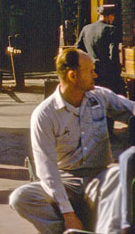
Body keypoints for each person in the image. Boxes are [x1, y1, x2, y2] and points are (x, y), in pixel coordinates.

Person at [9, 47, 135, 234]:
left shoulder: (99, 97)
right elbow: (47, 170)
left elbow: (131, 109)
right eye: (90, 71)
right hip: (66, 181)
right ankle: (65, 231)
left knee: (118, 174)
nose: (95, 75)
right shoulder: (45, 115)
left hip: (99, 177)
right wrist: (68, 214)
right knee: (20, 197)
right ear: (72, 75)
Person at [76, 4, 125, 95]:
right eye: (113, 16)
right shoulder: (111, 29)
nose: (113, 18)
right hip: (107, 73)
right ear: (109, 16)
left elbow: (78, 49)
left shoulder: (86, 29)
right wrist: (116, 72)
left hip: (90, 72)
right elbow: (113, 54)